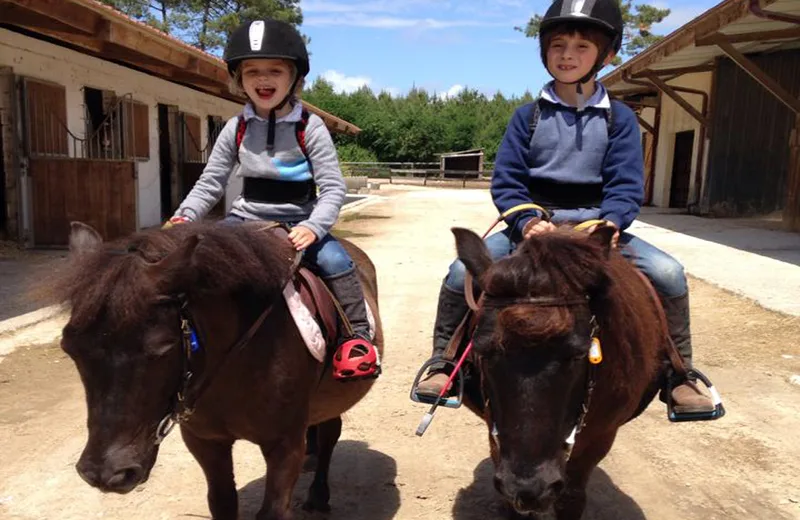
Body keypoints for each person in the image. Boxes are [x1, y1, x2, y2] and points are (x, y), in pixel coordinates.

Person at [415, 0, 714, 413]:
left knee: (669, 273)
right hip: (535, 224)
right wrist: (527, 221)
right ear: (544, 52)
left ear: (606, 55)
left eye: (581, 47)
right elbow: (508, 182)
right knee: (456, 274)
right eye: (558, 45)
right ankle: (445, 364)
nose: (568, 55)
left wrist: (608, 223)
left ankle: (680, 375)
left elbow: (626, 185)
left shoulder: (620, 120)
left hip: (596, 227)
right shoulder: (528, 117)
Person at [165, 19, 379, 381]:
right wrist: (184, 217)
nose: (263, 80)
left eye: (274, 71)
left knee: (336, 260)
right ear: (239, 78)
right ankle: (188, 338)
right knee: (194, 264)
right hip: (245, 220)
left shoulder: (309, 127)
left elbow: (332, 188)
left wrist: (314, 227)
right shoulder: (236, 128)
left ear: (294, 76)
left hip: (300, 220)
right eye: (252, 72)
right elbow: (210, 182)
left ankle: (356, 337)